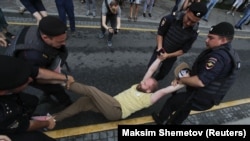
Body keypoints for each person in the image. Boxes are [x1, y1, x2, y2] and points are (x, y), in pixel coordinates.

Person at [152, 22, 241, 125]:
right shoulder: (229, 52)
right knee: (184, 108)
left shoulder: (218, 57)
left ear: (223, 40)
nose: (206, 40)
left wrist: (181, 80)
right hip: (207, 96)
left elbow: (200, 81)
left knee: (173, 102)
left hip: (202, 96)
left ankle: (160, 121)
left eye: (211, 38)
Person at [53, 56, 190, 122]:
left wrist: (184, 81)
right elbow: (151, 69)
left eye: (146, 83)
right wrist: (160, 58)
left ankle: (62, 81)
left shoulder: (149, 98)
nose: (143, 82)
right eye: (145, 81)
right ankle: (53, 120)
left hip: (117, 111)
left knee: (92, 90)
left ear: (149, 90)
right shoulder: (139, 86)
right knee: (83, 102)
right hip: (111, 103)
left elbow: (165, 90)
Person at [0, 55, 73, 141]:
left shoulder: (8, 68)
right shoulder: (3, 114)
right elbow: (26, 126)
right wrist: (47, 123)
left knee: (32, 101)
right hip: (7, 127)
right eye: (24, 80)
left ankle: (25, 115)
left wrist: (65, 78)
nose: (31, 79)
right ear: (2, 92)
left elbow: (37, 72)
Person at [4, 16, 72, 108]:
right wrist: (63, 78)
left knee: (54, 82)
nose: (64, 44)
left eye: (65, 39)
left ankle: (47, 94)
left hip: (38, 63)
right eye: (60, 42)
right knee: (54, 87)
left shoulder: (42, 30)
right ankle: (66, 103)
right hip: (26, 71)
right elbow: (37, 75)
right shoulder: (33, 55)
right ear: (45, 37)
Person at [147, 2, 208, 81]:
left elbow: (183, 50)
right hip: (160, 48)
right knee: (150, 69)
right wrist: (160, 48)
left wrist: (167, 55)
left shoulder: (194, 33)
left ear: (199, 19)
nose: (189, 23)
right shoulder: (171, 18)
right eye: (188, 18)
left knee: (163, 74)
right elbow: (160, 34)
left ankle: (153, 82)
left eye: (193, 22)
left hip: (171, 56)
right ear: (187, 11)